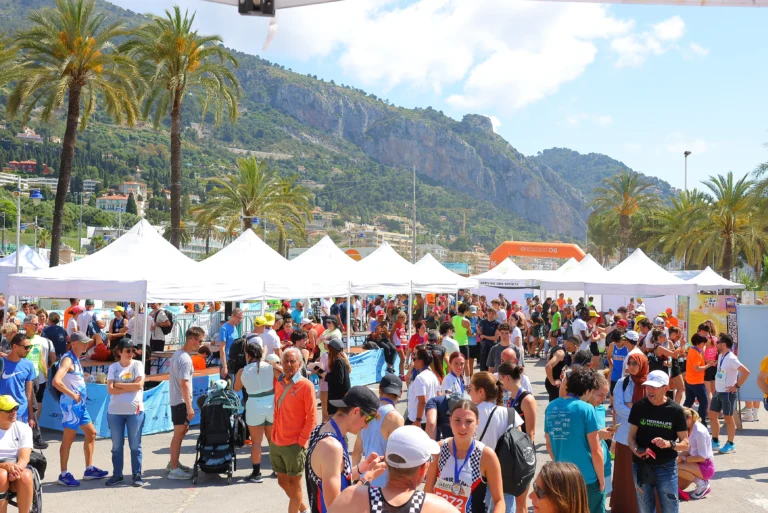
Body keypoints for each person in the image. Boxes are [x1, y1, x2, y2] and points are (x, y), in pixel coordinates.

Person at [328, 425, 454, 513]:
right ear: (423, 469)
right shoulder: (438, 507)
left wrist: (364, 480)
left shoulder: (351, 498)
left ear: (386, 460)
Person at [306, 386, 385, 513]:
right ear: (355, 412)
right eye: (368, 418)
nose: (366, 425)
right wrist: (367, 478)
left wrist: (362, 468)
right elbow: (335, 508)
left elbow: (334, 475)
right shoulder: (331, 447)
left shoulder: (321, 429)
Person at [425, 399, 505, 513]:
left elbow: (499, 501)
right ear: (450, 421)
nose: (462, 427)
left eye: (469, 421)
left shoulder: (486, 456)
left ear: (477, 423)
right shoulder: (438, 450)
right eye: (457, 420)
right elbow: (428, 492)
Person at [544, 366, 605, 513]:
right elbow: (596, 450)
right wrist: (602, 480)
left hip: (562, 476)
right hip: (586, 477)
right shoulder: (586, 409)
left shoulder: (551, 407)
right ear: (587, 390)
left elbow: (549, 445)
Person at [52, 331, 109, 486]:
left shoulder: (76, 358)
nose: (86, 345)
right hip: (71, 406)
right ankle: (63, 474)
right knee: (68, 439)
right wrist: (72, 394)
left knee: (91, 433)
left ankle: (89, 469)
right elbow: (56, 381)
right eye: (83, 343)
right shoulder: (68, 359)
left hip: (79, 406)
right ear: (74, 343)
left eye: (86, 342)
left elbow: (71, 379)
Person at [628, 370, 689, 513]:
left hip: (666, 467)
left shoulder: (675, 410)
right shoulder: (638, 407)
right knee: (645, 509)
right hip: (641, 465)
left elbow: (686, 443)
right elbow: (630, 437)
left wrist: (669, 444)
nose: (650, 390)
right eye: (648, 386)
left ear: (666, 388)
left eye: (654, 387)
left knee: (670, 509)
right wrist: (635, 450)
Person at [271, 347, 317, 513]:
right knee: (282, 482)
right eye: (286, 361)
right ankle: (304, 510)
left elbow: (312, 417)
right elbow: (277, 411)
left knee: (295, 486)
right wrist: (274, 435)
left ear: (299, 364)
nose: (289, 364)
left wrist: (302, 441)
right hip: (277, 441)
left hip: (294, 444)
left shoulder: (306, 385)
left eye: (292, 361)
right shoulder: (280, 382)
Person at [235, 342, 280, 483]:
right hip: (271, 403)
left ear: (248, 355)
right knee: (272, 440)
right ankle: (277, 469)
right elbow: (284, 378)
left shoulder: (243, 371)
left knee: (256, 442)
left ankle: (256, 473)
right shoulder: (270, 367)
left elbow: (236, 388)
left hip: (254, 404)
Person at [611, 352, 649, 513]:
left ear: (643, 365)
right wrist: (639, 413)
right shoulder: (622, 382)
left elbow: (653, 407)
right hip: (624, 435)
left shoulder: (650, 383)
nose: (631, 367)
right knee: (625, 475)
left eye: (635, 364)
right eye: (630, 363)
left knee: (645, 475)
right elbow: (618, 406)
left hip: (646, 435)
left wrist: (632, 406)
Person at [497, 362, 536, 513]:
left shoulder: (527, 399)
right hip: (511, 454)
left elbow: (531, 433)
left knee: (520, 503)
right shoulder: (509, 397)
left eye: (500, 380)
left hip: (522, 456)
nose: (500, 384)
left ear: (506, 378)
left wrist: (523, 462)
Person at [353, 373, 405, 488]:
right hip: (386, 486)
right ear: (400, 393)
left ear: (380, 390)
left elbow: (357, 451)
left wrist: (356, 480)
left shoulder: (367, 413)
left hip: (366, 480)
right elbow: (398, 458)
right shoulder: (396, 419)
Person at [105, 338, 146, 487]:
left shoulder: (138, 364)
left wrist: (118, 385)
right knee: (117, 446)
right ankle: (117, 474)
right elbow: (110, 389)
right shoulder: (113, 367)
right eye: (128, 350)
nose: (131, 353)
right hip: (115, 412)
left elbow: (139, 386)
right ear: (120, 352)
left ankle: (137, 474)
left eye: (133, 350)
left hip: (135, 412)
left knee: (135, 445)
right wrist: (129, 386)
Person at [166, 327, 204, 479]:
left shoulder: (178, 354)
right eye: (200, 341)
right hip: (181, 401)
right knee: (178, 434)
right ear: (192, 339)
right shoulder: (186, 359)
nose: (201, 344)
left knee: (181, 433)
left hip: (178, 400)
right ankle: (174, 469)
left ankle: (173, 463)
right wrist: (189, 406)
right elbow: (184, 383)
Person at [707, 333, 750, 454]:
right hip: (718, 391)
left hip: (727, 394)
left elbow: (746, 372)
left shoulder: (732, 358)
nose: (716, 344)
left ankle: (731, 444)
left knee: (728, 419)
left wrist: (736, 386)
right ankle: (715, 441)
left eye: (718, 343)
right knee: (712, 415)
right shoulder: (721, 355)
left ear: (724, 345)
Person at [0, 395, 35, 513]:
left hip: (15, 467)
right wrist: (5, 466)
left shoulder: (24, 428)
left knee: (26, 476)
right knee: (1, 475)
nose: (14, 412)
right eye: (9, 410)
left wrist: (15, 471)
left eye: (15, 408)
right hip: (2, 468)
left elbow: (24, 458)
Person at [677, 407, 715, 501]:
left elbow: (702, 457)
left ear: (690, 418)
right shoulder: (690, 428)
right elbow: (688, 449)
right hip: (696, 464)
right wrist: (678, 457)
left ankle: (702, 484)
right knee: (676, 483)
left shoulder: (699, 431)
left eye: (681, 421)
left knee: (676, 467)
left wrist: (684, 459)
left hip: (705, 467)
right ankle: (700, 482)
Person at [0, 335, 36, 431]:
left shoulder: (29, 364)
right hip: (3, 411)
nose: (29, 350)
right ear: (15, 346)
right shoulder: (1, 362)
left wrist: (31, 416)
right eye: (26, 347)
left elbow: (29, 393)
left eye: (30, 347)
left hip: (21, 412)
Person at [406, 346, 441, 428]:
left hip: (417, 419)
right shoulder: (433, 375)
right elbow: (439, 396)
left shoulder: (420, 378)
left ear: (421, 361)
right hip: (428, 418)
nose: (413, 361)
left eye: (415, 358)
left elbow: (422, 401)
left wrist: (418, 420)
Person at [683, 334, 713, 428]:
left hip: (689, 380)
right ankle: (701, 423)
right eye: (704, 343)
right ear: (699, 343)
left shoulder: (691, 350)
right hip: (696, 382)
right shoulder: (695, 353)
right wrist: (709, 365)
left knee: (688, 402)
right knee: (704, 403)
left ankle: (681, 419)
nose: (704, 345)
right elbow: (697, 368)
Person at [320, 338, 351, 417]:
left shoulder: (338, 361)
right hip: (340, 399)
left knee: (335, 420)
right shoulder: (341, 359)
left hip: (337, 400)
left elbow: (338, 380)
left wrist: (325, 375)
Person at [544, 337, 578, 402]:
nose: (576, 349)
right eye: (576, 346)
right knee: (555, 406)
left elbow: (573, 365)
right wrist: (552, 382)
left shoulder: (562, 348)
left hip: (557, 381)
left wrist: (574, 352)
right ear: (571, 344)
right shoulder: (560, 352)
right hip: (554, 383)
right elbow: (548, 366)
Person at [477, 307, 499, 372]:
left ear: (495, 314)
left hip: (493, 346)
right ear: (487, 313)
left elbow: (496, 338)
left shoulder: (497, 324)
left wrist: (484, 336)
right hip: (484, 347)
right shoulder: (482, 322)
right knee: (483, 367)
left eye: (493, 314)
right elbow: (479, 332)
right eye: (489, 313)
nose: (491, 315)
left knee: (492, 367)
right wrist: (478, 330)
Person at [452, 304, 472, 377]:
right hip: (463, 343)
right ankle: (468, 381)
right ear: (466, 311)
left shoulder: (452, 318)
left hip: (454, 343)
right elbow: (470, 333)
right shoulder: (466, 321)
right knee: (466, 364)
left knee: (455, 363)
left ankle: (457, 379)